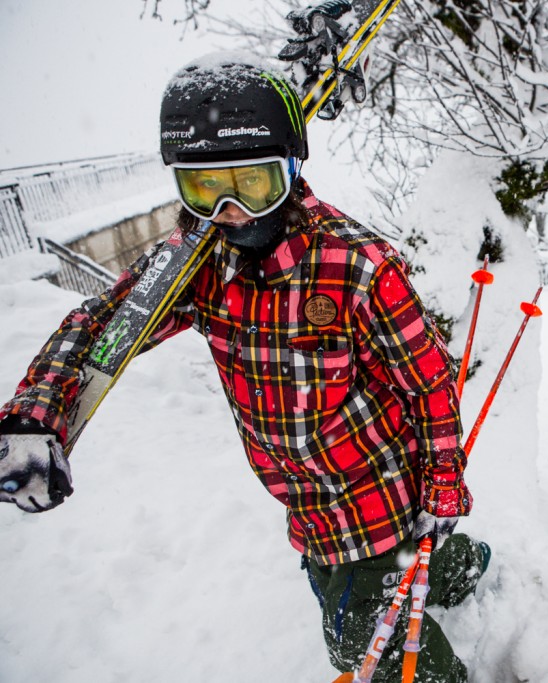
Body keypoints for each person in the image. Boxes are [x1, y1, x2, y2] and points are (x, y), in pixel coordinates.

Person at [0, 53, 488, 682]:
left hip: (379, 494)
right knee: (362, 580)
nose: (230, 209)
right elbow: (99, 324)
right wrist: (37, 412)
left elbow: (429, 383)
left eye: (251, 184)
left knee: (364, 641)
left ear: (289, 169)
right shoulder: (199, 264)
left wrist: (444, 480)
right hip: (306, 507)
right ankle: (457, 566)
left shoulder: (358, 266)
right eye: (205, 189)